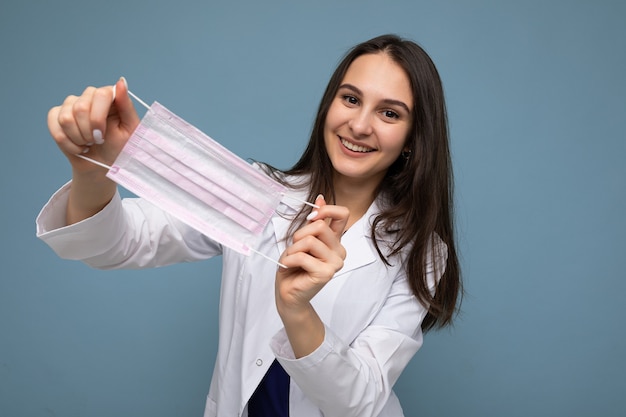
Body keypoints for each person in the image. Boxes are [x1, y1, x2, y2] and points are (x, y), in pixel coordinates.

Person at [37, 34, 461, 417]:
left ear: (412, 138)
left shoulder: (421, 250)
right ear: (329, 104)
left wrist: (296, 311)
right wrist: (91, 171)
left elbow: (360, 401)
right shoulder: (258, 195)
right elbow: (117, 245)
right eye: (350, 99)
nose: (360, 125)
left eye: (389, 113)